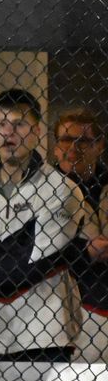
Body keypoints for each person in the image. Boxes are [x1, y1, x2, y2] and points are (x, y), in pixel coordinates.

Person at [0, 90, 108, 362]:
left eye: (19, 124)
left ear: (36, 132)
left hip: (45, 335)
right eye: (1, 125)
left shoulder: (63, 190)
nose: (8, 133)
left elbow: (34, 263)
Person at [52, 107, 108, 362]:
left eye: (82, 141)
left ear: (99, 146)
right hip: (62, 295)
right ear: (55, 147)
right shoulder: (44, 187)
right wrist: (85, 252)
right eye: (65, 139)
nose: (72, 147)